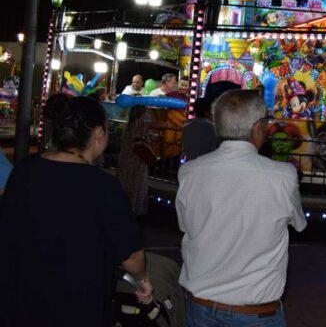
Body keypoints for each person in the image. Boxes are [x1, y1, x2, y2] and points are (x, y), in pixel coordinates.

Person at [0, 94, 153, 326]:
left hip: (19, 300)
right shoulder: (102, 186)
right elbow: (131, 256)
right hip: (75, 306)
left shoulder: (24, 170)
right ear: (98, 135)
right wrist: (143, 280)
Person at [176, 90, 306, 326]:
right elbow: (298, 223)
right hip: (255, 313)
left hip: (201, 307)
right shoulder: (283, 176)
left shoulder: (189, 172)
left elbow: (185, 225)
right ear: (258, 128)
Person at [116, 105, 151, 216]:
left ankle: (122, 205)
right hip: (137, 159)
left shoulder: (128, 124)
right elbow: (144, 141)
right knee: (136, 183)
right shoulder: (140, 125)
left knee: (125, 181)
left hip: (125, 157)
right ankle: (134, 208)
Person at [181, 95, 218, 161]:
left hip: (189, 164)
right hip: (206, 165)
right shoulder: (213, 129)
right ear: (207, 113)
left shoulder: (186, 127)